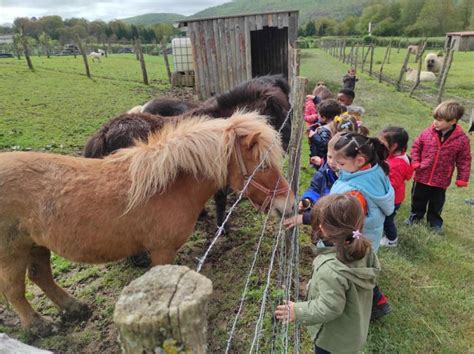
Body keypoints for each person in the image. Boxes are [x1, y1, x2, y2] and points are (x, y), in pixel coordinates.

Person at [275, 194, 380, 354]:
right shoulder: (364, 248)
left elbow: (330, 307)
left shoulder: (330, 269)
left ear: (322, 227)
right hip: (352, 331)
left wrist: (298, 311)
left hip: (333, 340)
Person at [406, 100, 471, 233]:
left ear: (452, 121)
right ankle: (415, 216)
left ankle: (435, 222)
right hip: (422, 174)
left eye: (440, 120)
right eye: (435, 118)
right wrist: (416, 162)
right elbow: (416, 147)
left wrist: (462, 178)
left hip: (441, 179)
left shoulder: (461, 139)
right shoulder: (427, 133)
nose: (435, 122)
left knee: (436, 202)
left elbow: (464, 160)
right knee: (418, 198)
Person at [378, 127, 414, 247]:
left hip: (393, 199)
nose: (379, 145)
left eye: (382, 143)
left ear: (393, 146)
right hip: (394, 197)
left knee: (388, 220)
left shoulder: (396, 164)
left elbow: (392, 184)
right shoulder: (398, 157)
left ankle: (391, 240)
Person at [308, 99, 342, 168]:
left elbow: (325, 145)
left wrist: (314, 136)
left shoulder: (325, 130)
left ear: (323, 117)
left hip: (323, 160)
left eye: (318, 114)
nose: (317, 116)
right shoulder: (338, 125)